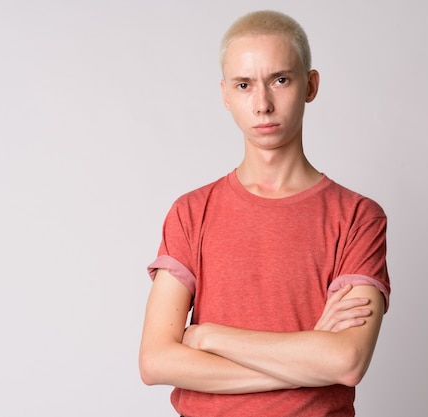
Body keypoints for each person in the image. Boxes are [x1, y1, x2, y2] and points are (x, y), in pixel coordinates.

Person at [138, 9, 390, 417]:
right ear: (225, 95)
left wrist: (207, 336)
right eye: (244, 85)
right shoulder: (191, 212)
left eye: (280, 80)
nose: (262, 104)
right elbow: (155, 362)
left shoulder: (358, 217)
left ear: (310, 85)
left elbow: (346, 361)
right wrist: (307, 359)